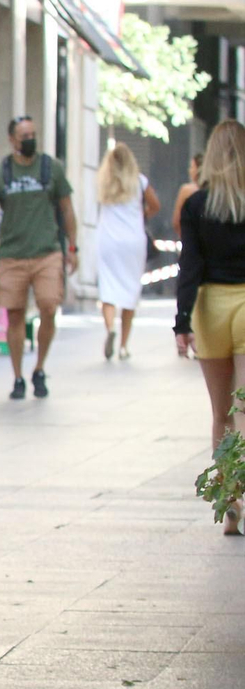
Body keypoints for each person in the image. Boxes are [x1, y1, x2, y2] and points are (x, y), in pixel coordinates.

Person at [175, 119, 245, 535]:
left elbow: (190, 266)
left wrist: (181, 322)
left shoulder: (196, 205)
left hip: (210, 309)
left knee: (221, 414)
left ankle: (229, 501)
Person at [0, 115, 79, 400]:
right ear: (12, 140)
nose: (30, 139)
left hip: (47, 252)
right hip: (12, 255)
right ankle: (18, 376)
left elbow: (67, 208)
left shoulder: (51, 168)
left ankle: (40, 367)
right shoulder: (1, 173)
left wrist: (73, 247)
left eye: (33, 133)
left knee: (49, 306)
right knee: (15, 314)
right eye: (24, 135)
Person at [95, 143, 160, 361]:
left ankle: (110, 328)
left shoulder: (104, 182)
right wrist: (141, 215)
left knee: (108, 289)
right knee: (130, 292)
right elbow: (155, 205)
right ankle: (123, 346)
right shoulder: (140, 182)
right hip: (133, 241)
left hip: (108, 240)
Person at [173, 153, 203, 236]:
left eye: (192, 167)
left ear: (198, 169)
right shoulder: (214, 190)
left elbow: (176, 221)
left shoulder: (186, 190)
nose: (189, 170)